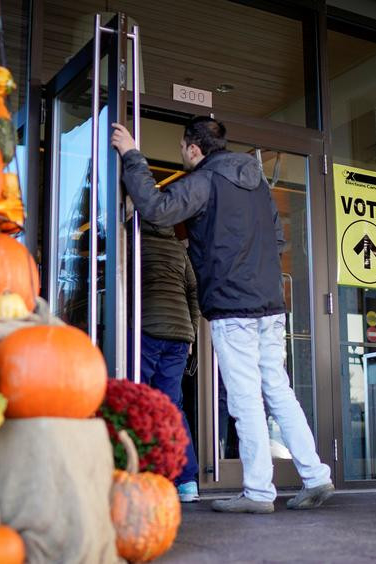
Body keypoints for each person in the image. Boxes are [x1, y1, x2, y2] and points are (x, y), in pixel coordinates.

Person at [111, 116, 334, 514]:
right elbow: (277, 237)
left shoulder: (205, 181)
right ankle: (315, 475)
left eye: (182, 149)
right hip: (269, 304)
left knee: (246, 398)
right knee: (278, 390)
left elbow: (158, 209)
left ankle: (258, 493)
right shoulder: (257, 183)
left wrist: (132, 156)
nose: (182, 155)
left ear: (194, 148)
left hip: (234, 308)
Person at [137, 219, 201, 503]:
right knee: (172, 406)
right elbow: (194, 292)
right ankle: (187, 482)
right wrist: (192, 333)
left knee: (137, 402)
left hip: (148, 329)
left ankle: (137, 475)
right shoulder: (178, 249)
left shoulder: (136, 242)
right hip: (179, 335)